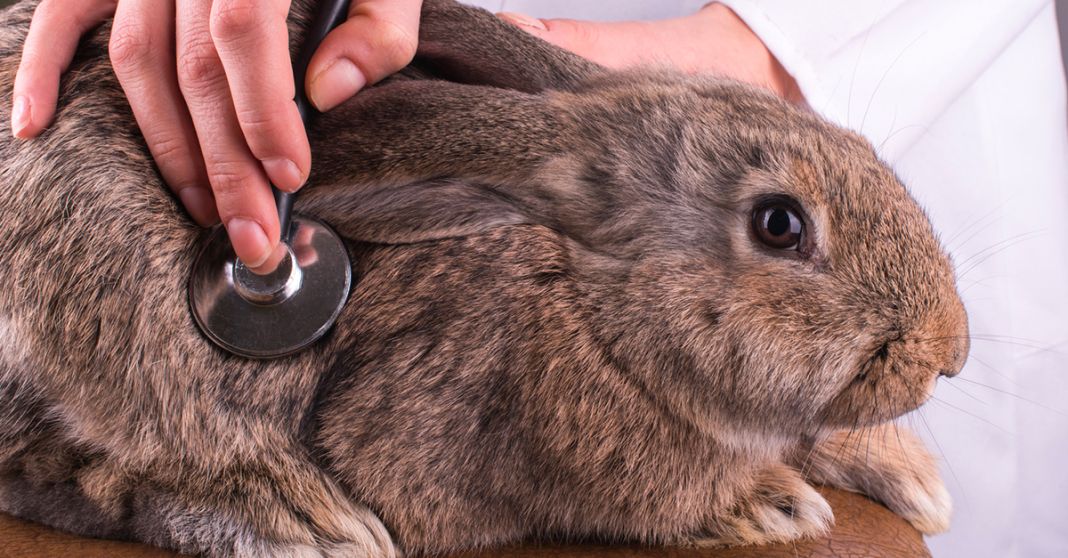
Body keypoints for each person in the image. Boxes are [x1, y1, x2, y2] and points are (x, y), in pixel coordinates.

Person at [11, 0, 1068, 556]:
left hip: (845, 66)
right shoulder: (541, 323)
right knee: (99, 208)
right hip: (202, 81)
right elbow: (412, 462)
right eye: (783, 229)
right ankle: (125, 477)